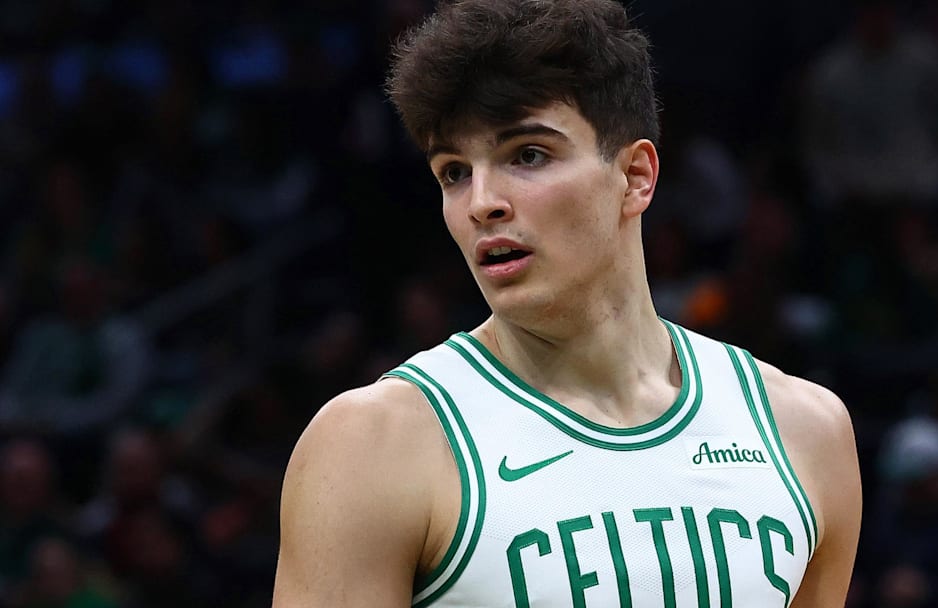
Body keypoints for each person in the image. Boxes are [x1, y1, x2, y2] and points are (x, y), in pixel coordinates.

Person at [272, 0, 861, 606]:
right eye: (454, 171)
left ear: (635, 176)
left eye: (527, 155)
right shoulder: (372, 445)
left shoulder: (804, 431)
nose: (482, 203)